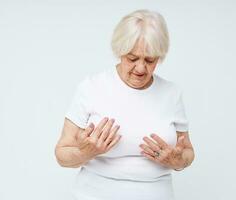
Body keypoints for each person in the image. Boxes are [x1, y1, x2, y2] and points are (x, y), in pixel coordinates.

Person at [55, 9, 195, 200]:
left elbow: (187, 153)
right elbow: (62, 154)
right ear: (120, 51)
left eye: (150, 60)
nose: (140, 68)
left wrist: (176, 160)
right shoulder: (91, 87)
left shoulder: (171, 93)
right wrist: (86, 152)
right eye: (132, 58)